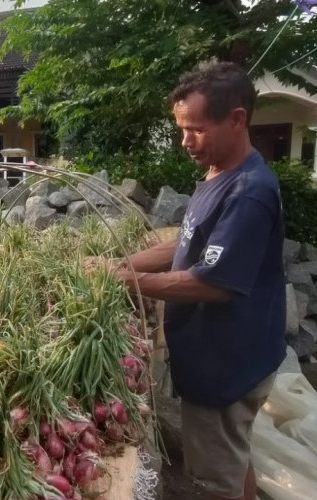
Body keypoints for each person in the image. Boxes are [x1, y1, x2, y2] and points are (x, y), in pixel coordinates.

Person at [115, 61, 287, 500]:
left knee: (215, 481)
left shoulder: (248, 191)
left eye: (196, 129)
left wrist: (124, 281)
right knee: (234, 456)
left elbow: (213, 283)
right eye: (181, 128)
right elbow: (187, 243)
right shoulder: (219, 172)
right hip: (224, 355)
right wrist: (120, 263)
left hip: (227, 365)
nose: (185, 141)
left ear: (237, 120)